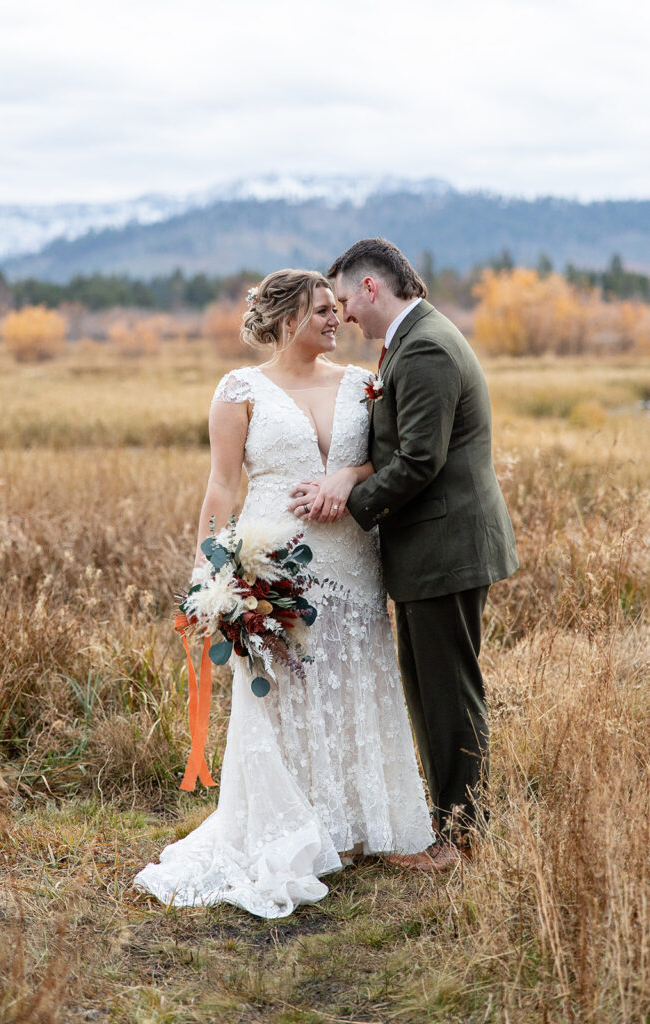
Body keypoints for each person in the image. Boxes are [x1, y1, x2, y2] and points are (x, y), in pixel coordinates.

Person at [134, 269, 439, 921]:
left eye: (337, 309)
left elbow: (385, 461)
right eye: (322, 310)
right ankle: (288, 829)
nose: (337, 319)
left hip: (354, 558)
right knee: (281, 691)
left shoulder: (362, 383)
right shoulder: (239, 390)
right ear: (283, 319)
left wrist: (346, 475)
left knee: (354, 681)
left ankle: (355, 825)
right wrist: (208, 572)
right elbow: (221, 487)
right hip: (271, 560)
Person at [289, 239, 518, 859]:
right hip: (431, 550)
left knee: (448, 693)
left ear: (371, 288)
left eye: (345, 301)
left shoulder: (427, 349)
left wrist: (347, 505)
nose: (345, 317)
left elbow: (419, 459)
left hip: (446, 548)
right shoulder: (410, 344)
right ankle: (453, 828)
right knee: (430, 688)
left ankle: (463, 839)